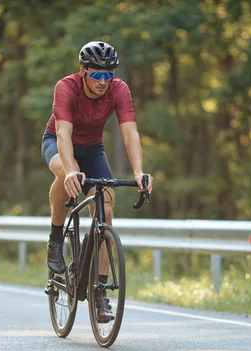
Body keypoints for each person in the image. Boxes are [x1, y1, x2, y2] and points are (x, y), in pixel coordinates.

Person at [40, 41, 153, 322]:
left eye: (109, 74)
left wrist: (139, 172)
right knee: (66, 173)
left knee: (107, 210)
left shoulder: (119, 89)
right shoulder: (66, 87)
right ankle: (56, 238)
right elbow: (64, 133)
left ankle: (100, 290)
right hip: (57, 142)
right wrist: (68, 170)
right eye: (97, 74)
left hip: (93, 149)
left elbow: (130, 133)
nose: (104, 81)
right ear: (83, 72)